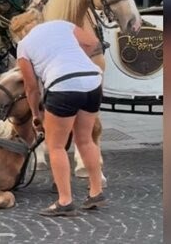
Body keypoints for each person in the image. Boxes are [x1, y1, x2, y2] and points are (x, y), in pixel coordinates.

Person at [16, 19, 105, 217]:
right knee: (85, 140)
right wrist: (78, 61)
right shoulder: (62, 25)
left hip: (62, 85)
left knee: (55, 145)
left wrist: (35, 114)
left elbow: (31, 87)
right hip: (92, 80)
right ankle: (96, 191)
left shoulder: (23, 46)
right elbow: (92, 43)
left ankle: (65, 201)